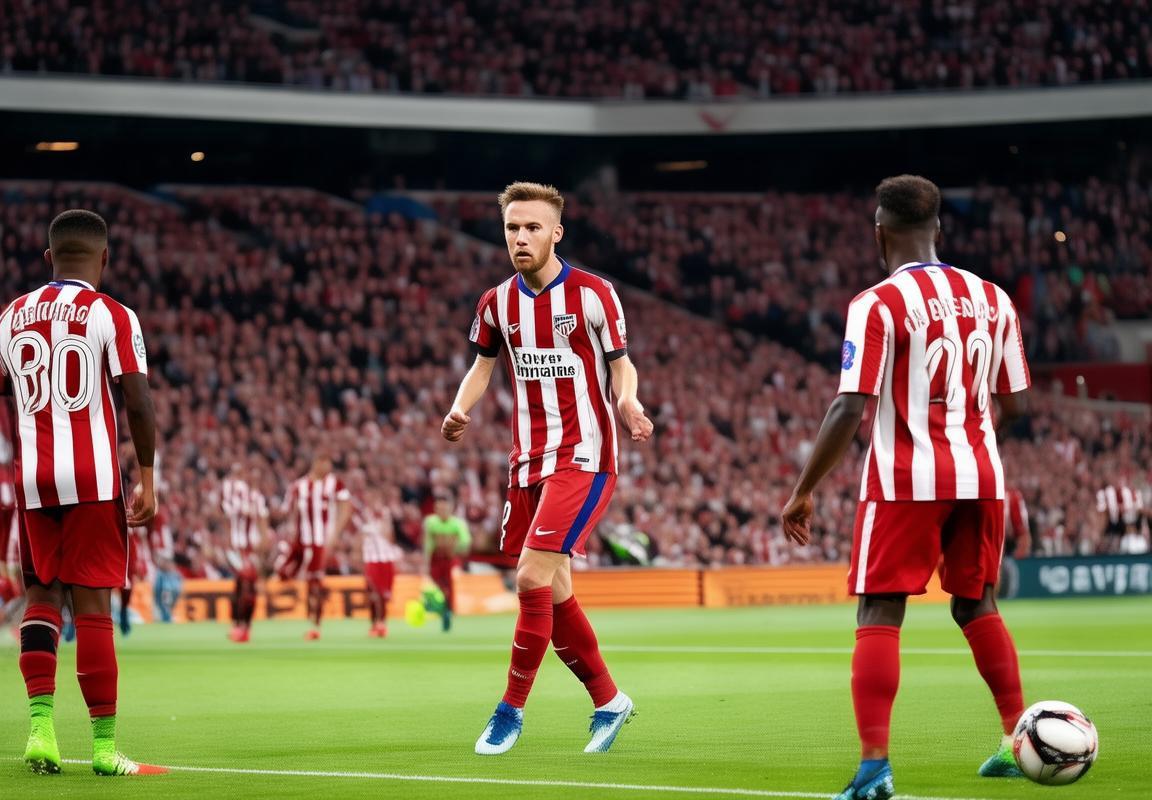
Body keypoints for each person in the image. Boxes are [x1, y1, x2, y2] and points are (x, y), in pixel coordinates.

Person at [780, 175, 1032, 800]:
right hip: (981, 475)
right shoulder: (994, 298)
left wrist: (803, 490)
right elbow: (1018, 404)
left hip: (904, 478)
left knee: (879, 610)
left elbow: (850, 405)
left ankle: (875, 769)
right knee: (977, 604)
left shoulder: (877, 303)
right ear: (938, 228)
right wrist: (968, 434)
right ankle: (1015, 741)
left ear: (879, 233)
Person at [441, 181, 653, 756]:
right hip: (527, 463)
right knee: (555, 592)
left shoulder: (594, 294)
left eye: (532, 227)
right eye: (513, 227)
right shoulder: (495, 302)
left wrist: (628, 401)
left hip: (585, 457)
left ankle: (509, 711)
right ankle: (609, 701)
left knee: (531, 578)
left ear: (556, 232)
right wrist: (460, 409)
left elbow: (622, 364)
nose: (521, 237)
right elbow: (483, 366)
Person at [0, 209, 166, 776]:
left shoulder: (11, 315)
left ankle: (40, 733)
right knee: (93, 607)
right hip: (91, 477)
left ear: (49, 258)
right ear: (105, 259)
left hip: (32, 481)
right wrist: (148, 476)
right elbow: (137, 399)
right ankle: (103, 749)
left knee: (41, 599)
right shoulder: (112, 313)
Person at [276, 453, 351, 640]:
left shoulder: (334, 484)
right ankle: (311, 604)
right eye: (326, 463)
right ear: (317, 463)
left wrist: (335, 534)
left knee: (315, 581)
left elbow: (346, 507)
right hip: (299, 541)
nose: (329, 468)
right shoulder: (298, 486)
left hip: (320, 541)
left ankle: (314, 624)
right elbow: (286, 511)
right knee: (282, 572)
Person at [221, 462, 270, 643]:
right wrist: (226, 541)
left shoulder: (258, 498)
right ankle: (238, 624)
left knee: (247, 587)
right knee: (242, 585)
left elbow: (263, 523)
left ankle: (244, 626)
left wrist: (263, 545)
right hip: (236, 547)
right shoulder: (234, 496)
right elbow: (226, 519)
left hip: (251, 548)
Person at [422, 491, 471, 632]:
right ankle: (441, 609)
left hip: (450, 560)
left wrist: (455, 549)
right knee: (436, 586)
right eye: (439, 508)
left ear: (450, 508)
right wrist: (426, 561)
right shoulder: (430, 522)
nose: (442, 511)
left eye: (444, 508)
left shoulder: (457, 524)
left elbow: (465, 541)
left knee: (449, 586)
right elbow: (428, 543)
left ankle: (448, 611)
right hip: (435, 560)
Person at [357, 489, 402, 638]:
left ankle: (381, 623)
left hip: (386, 558)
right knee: (373, 593)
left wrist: (382, 521)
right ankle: (374, 623)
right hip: (371, 559)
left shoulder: (385, 514)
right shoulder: (363, 516)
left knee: (383, 595)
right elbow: (360, 538)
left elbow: (390, 537)